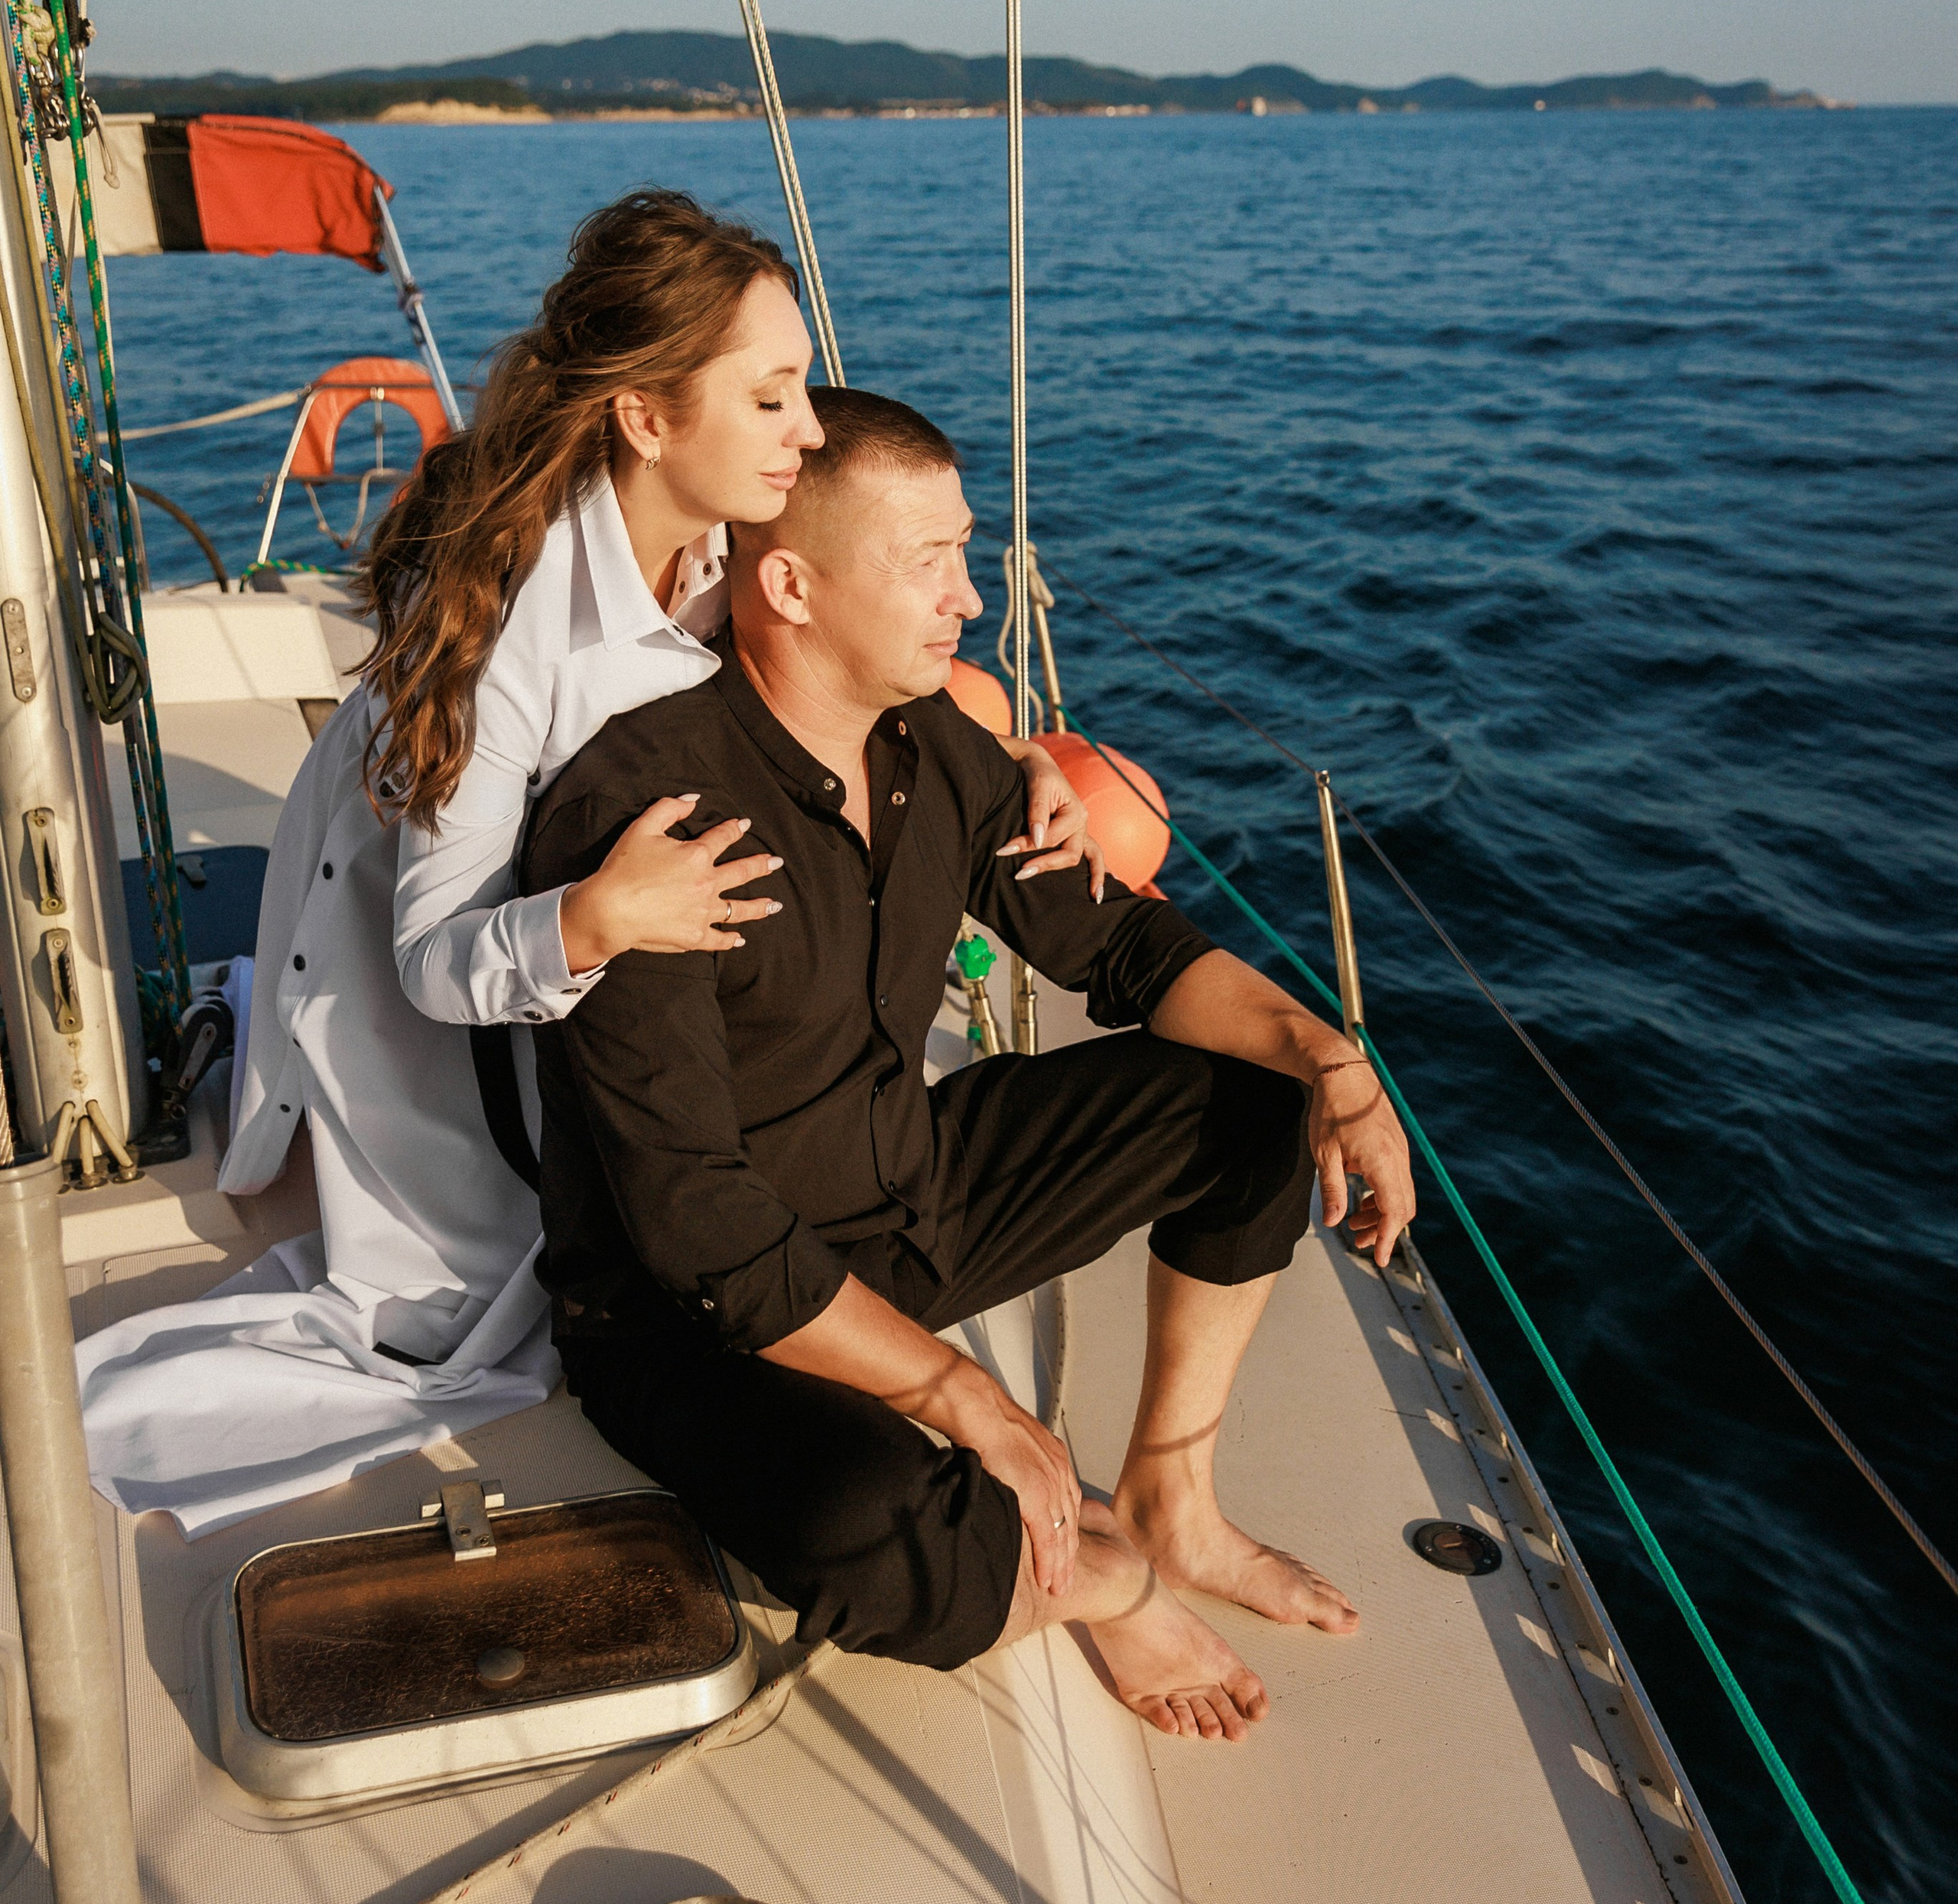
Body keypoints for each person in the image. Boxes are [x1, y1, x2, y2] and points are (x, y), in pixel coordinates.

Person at [77, 195, 1093, 1534]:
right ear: (651, 420)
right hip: (430, 940)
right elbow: (437, 961)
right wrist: (598, 919)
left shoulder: (732, 533)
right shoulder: (513, 628)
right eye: (776, 396)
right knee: (520, 1275)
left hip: (568, 907)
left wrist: (1008, 756)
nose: (811, 429)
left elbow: (864, 629)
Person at [524, 386, 1418, 1742]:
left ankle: (1172, 1497)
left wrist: (1331, 1060)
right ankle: (1107, 1576)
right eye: (923, 561)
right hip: (691, 1314)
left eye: (964, 551)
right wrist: (965, 1397)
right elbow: (695, 1218)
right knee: (869, 1532)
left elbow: (1125, 955)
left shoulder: (932, 744)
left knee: (1256, 1097)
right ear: (789, 585)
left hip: (904, 1187)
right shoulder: (649, 815)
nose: (968, 600)